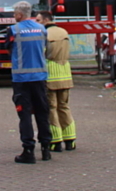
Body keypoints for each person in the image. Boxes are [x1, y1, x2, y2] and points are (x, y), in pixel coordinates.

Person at [6, 0, 51, 164]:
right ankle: (46, 148)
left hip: (21, 79)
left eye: (14, 13)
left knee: (24, 115)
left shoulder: (13, 30)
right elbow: (47, 50)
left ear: (19, 14)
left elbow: (8, 49)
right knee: (42, 113)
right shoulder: (42, 29)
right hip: (39, 78)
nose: (13, 16)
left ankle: (28, 150)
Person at [36, 10, 76, 152]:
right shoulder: (63, 32)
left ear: (46, 20)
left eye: (39, 20)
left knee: (51, 108)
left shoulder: (44, 34)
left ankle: (56, 140)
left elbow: (42, 54)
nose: (36, 23)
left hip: (50, 74)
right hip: (65, 73)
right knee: (64, 106)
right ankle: (70, 139)